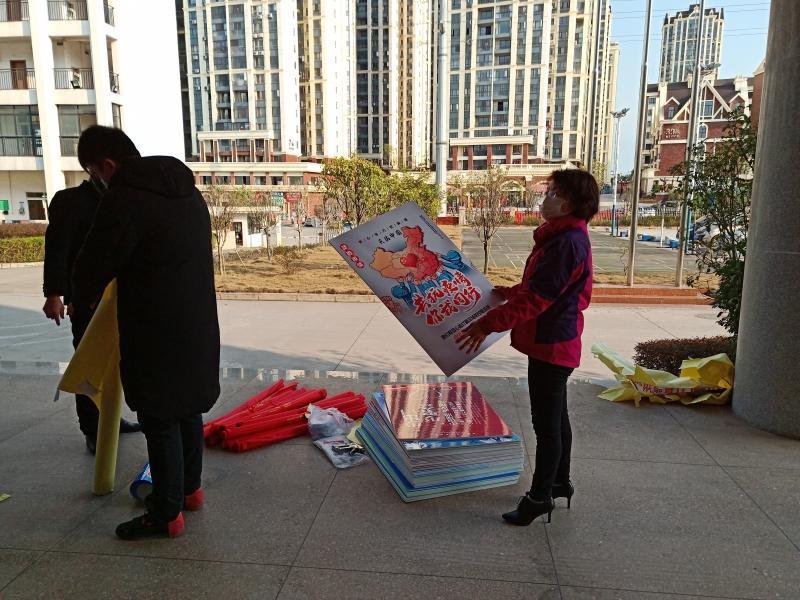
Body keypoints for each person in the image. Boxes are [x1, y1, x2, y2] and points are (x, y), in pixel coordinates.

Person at [71, 126, 221, 541]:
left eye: (95, 173)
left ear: (107, 165)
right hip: (197, 321)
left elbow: (95, 261)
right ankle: (189, 492)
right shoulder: (189, 194)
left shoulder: (124, 199)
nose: (97, 182)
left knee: (159, 416)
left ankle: (165, 514)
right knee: (187, 409)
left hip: (153, 326)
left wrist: (80, 297)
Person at [458, 169, 598, 526]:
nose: (546, 197)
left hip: (552, 344)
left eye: (554, 192)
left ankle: (538, 499)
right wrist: (504, 293)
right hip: (556, 340)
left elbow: (538, 298)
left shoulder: (566, 243)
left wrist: (487, 323)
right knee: (558, 419)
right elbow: (537, 287)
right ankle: (560, 483)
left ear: (572, 202)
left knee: (547, 426)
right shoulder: (563, 237)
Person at [43, 177, 141, 454]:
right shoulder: (71, 201)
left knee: (115, 364)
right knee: (90, 363)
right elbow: (58, 249)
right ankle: (92, 426)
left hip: (121, 300)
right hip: (85, 302)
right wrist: (54, 294)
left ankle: (110, 417)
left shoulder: (122, 200)